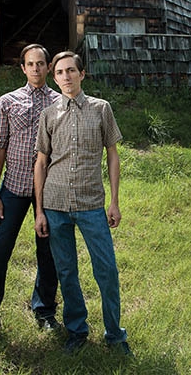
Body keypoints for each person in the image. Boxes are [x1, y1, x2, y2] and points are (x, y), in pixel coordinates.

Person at [34, 51, 132, 356]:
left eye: (70, 71)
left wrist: (114, 202)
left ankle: (115, 334)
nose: (65, 77)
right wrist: (39, 210)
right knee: (67, 271)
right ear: (55, 77)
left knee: (107, 269)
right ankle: (76, 330)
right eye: (59, 72)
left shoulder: (101, 109)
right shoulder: (48, 114)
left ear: (82, 74)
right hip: (55, 203)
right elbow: (41, 162)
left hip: (91, 204)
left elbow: (113, 154)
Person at [0, 44, 61, 353]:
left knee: (49, 254)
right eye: (30, 64)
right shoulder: (7, 102)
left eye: (40, 64)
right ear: (22, 68)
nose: (35, 69)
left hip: (50, 191)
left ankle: (45, 310)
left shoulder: (61, 102)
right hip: (14, 188)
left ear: (48, 67)